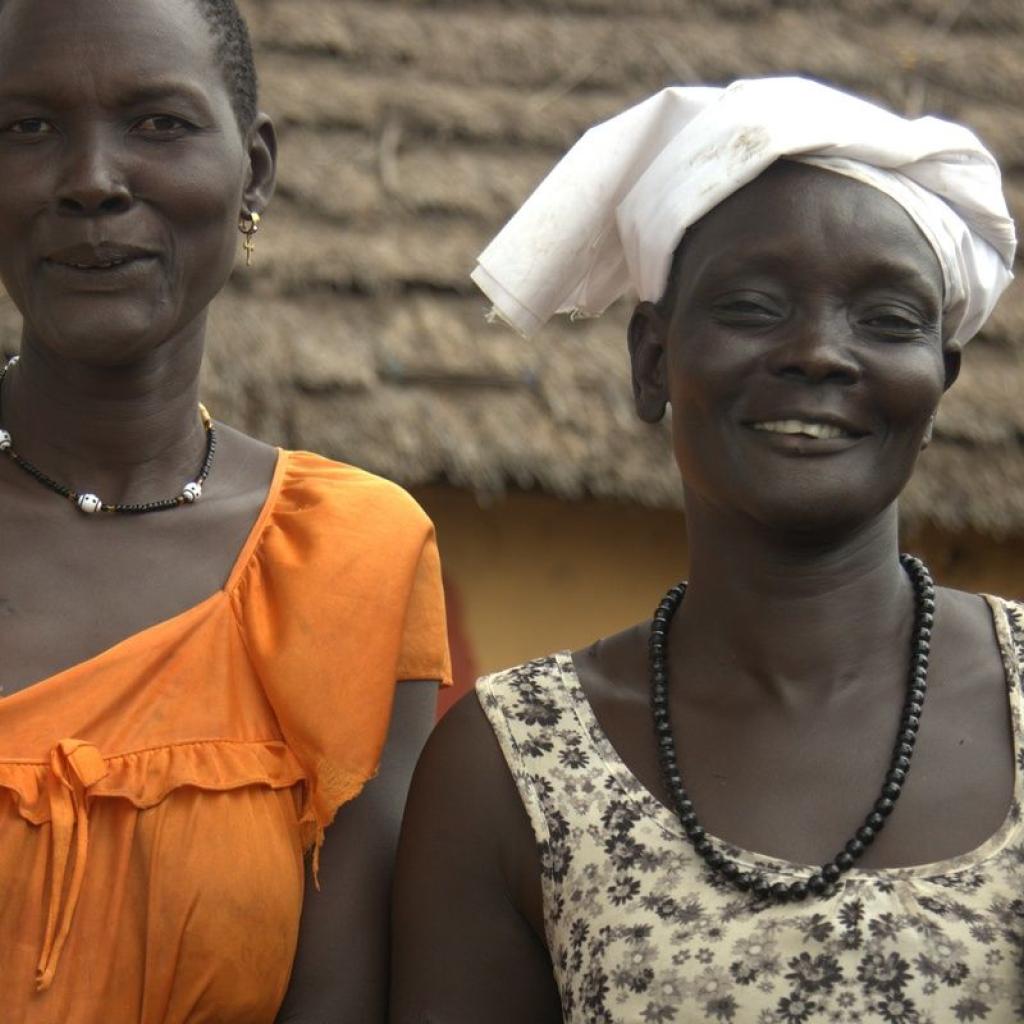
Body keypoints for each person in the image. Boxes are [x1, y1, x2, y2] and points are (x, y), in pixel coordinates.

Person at [391, 78, 1020, 1023]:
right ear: (652, 359)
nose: (818, 352)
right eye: (754, 307)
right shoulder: (512, 768)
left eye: (887, 321)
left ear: (941, 379)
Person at [0, 1, 450, 1021]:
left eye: (158, 122)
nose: (90, 180)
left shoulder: (347, 559)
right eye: (27, 128)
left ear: (255, 169)